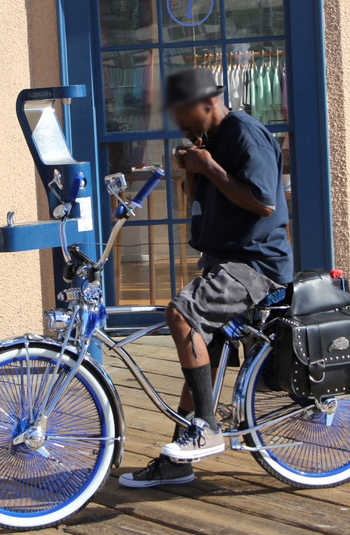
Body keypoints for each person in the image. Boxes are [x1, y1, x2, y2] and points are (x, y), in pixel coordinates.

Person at [120, 68, 293, 487]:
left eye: (181, 115)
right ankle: (180, 459)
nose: (178, 124)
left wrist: (209, 166)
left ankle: (208, 429)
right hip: (223, 259)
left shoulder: (243, 133)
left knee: (181, 315)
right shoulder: (210, 139)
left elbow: (264, 204)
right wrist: (192, 170)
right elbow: (193, 201)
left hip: (256, 264)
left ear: (207, 103)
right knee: (201, 356)